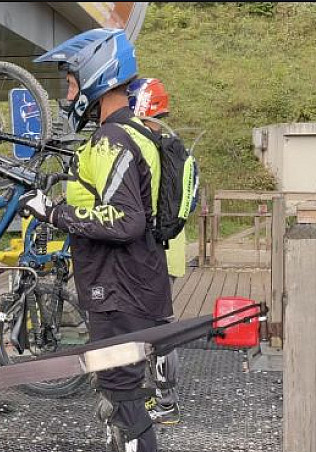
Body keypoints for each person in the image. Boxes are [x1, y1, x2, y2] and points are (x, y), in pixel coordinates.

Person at [24, 28, 170, 452]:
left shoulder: (112, 139)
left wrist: (56, 212)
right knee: (118, 391)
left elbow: (123, 219)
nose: (67, 93)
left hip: (119, 289)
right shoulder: (133, 132)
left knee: (123, 398)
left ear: (95, 76)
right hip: (134, 283)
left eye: (69, 82)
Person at [127, 77, 183, 426]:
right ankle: (162, 397)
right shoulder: (166, 141)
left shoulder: (146, 145)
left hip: (157, 250)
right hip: (171, 245)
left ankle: (166, 402)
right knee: (158, 324)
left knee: (158, 329)